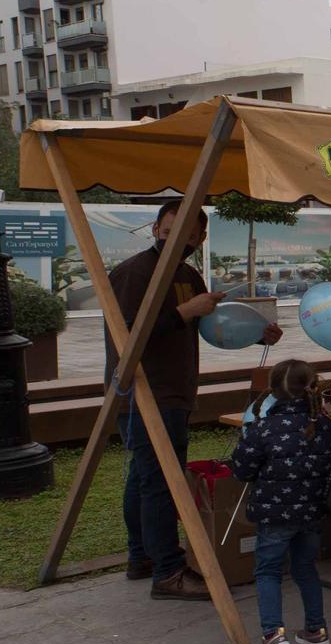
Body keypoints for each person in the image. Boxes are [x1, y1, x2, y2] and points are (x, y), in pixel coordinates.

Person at [110, 197, 283, 599]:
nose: (180, 242)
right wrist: (184, 311)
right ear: (156, 229)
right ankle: (168, 571)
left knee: (144, 476)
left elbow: (209, 326)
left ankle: (142, 556)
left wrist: (257, 333)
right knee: (159, 481)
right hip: (144, 392)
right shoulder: (134, 273)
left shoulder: (188, 273)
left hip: (176, 388)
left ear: (201, 237)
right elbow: (129, 333)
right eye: (171, 233)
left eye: (190, 237)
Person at [229, 359, 331, 644]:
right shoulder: (325, 426)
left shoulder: (262, 428)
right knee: (306, 567)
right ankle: (316, 629)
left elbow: (242, 469)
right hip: (312, 510)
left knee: (267, 570)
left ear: (273, 390)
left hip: (275, 513)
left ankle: (272, 633)